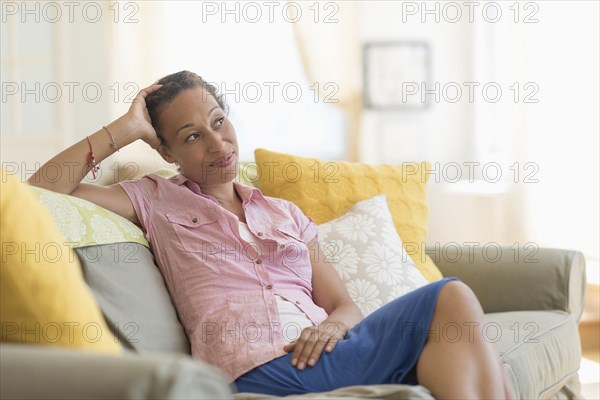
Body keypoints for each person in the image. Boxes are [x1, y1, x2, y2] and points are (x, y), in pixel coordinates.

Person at [29, 71, 513, 399]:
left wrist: (331, 326)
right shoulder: (151, 198)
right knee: (452, 296)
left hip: (324, 351)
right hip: (256, 368)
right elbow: (41, 188)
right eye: (193, 136)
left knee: (452, 343)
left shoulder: (286, 213)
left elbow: (343, 305)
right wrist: (126, 127)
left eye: (219, 122)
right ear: (168, 151)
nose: (218, 143)